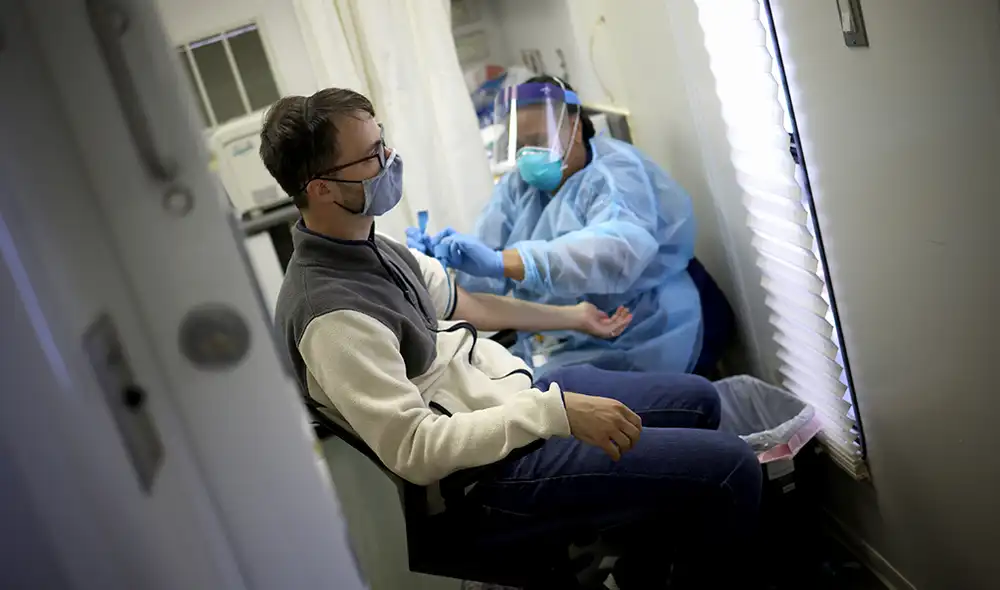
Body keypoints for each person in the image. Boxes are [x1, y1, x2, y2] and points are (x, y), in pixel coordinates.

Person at [260, 88, 761, 588]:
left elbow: (468, 304)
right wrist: (554, 413)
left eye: (383, 143)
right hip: (483, 478)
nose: (390, 162)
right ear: (321, 188)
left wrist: (573, 316)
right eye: (372, 156)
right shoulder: (331, 316)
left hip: (509, 403)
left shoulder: (376, 247)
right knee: (732, 469)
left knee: (698, 400)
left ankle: (649, 572)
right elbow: (416, 448)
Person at [410, 76, 704, 376]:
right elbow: (486, 267)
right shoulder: (519, 188)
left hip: (638, 332)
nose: (527, 156)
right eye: (521, 145)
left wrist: (508, 261)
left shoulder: (616, 176)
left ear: (574, 128)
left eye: (537, 141)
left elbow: (615, 253)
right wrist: (442, 266)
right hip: (562, 333)